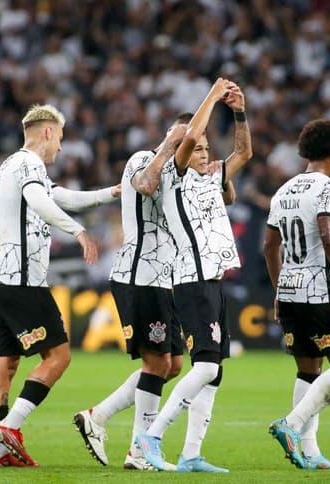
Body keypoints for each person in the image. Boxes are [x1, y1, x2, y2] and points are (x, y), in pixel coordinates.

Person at [0, 104, 120, 468]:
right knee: (59, 356)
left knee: (4, 364)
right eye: (60, 136)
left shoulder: (12, 165)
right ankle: (10, 428)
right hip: (22, 279)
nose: (61, 145)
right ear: (47, 132)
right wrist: (78, 231)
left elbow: (65, 197)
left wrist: (113, 192)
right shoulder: (30, 164)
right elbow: (39, 200)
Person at [136, 78, 252, 473]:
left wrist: (239, 111)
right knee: (203, 366)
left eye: (206, 150)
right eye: (198, 149)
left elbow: (244, 151)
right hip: (190, 280)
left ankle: (191, 454)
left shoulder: (210, 178)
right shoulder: (177, 177)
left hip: (213, 280)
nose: (204, 154)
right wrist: (214, 94)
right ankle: (151, 437)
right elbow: (189, 139)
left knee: (214, 371)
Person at [73, 122, 187, 471]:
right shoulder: (144, 159)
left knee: (173, 365)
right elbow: (146, 184)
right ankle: (140, 452)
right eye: (194, 144)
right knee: (156, 363)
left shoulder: (182, 177)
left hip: (163, 279)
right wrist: (172, 142)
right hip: (140, 275)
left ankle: (98, 415)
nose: (199, 151)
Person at [264, 119, 330, 470]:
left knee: (309, 370)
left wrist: (278, 290)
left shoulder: (284, 190)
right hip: (320, 291)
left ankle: (311, 451)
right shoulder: (329, 188)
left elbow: (269, 245)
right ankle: (290, 424)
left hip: (289, 291)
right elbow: (328, 232)